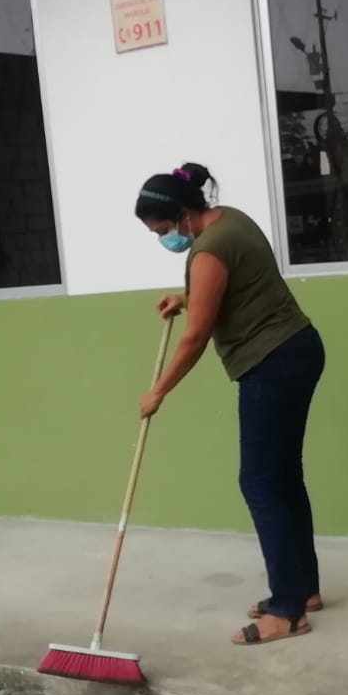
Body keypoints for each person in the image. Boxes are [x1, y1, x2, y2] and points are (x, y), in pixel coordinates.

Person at [135, 163, 325, 646]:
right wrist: (186, 298)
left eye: (162, 230)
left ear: (182, 214)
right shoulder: (229, 221)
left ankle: (287, 611)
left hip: (271, 362)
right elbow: (234, 285)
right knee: (282, 477)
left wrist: (158, 390)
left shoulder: (208, 249)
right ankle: (302, 589)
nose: (163, 239)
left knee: (260, 481)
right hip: (297, 348)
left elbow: (196, 336)